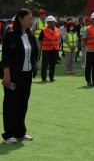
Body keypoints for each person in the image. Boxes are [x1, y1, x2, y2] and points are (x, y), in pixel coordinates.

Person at [2, 9, 39, 144]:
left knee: (23, 103)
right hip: (13, 75)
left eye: (32, 18)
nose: (31, 21)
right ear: (20, 19)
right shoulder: (10, 35)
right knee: (11, 104)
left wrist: (34, 67)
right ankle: (9, 135)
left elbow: (34, 53)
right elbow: (5, 57)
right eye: (28, 18)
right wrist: (6, 74)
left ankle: (20, 132)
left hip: (27, 74)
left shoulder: (30, 35)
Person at [38, 15, 60, 83]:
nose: (53, 23)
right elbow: (40, 40)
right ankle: (43, 78)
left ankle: (51, 77)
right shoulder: (43, 30)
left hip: (55, 49)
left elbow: (57, 39)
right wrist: (43, 46)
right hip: (46, 50)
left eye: (53, 22)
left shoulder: (56, 30)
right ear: (48, 23)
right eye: (51, 22)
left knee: (52, 64)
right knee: (44, 64)